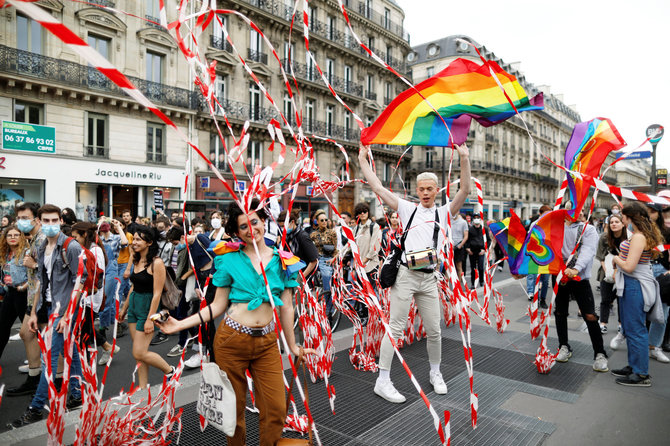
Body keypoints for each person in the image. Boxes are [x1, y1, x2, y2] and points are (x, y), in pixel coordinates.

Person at [156, 199, 314, 445]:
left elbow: (288, 307)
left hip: (268, 344)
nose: (251, 230)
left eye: (254, 222)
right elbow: (217, 306)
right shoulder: (228, 259)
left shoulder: (284, 260)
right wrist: (180, 325)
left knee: (275, 410)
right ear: (236, 231)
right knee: (234, 414)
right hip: (231, 342)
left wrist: (293, 346)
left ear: (263, 221)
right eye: (243, 227)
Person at [358, 142, 471, 403]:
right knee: (395, 328)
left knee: (434, 329)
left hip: (429, 278)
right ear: (416, 191)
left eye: (430, 188)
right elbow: (377, 187)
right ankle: (382, 380)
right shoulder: (407, 208)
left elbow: (465, 189)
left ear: (436, 190)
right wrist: (364, 160)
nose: (425, 193)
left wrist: (464, 157)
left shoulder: (444, 212)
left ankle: (435, 373)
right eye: (421, 189)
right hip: (406, 276)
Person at [11, 204, 87, 427]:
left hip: (65, 311)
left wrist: (66, 315)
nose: (51, 224)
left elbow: (80, 282)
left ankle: (36, 408)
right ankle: (76, 394)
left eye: (55, 220)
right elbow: (41, 283)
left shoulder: (70, 246)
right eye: (47, 221)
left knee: (49, 360)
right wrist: (34, 312)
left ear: (60, 221)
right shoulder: (42, 246)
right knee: (68, 351)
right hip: (50, 307)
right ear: (40, 222)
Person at [611, 202, 664, 386]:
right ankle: (634, 366)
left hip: (635, 285)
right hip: (630, 284)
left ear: (631, 217)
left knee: (636, 329)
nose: (622, 220)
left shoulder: (639, 237)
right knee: (630, 327)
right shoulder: (638, 236)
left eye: (624, 216)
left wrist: (616, 258)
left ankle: (641, 373)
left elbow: (629, 266)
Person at [118, 226, 175, 389]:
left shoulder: (157, 263)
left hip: (149, 307)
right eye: (133, 239)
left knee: (139, 352)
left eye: (138, 239)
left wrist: (151, 319)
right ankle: (142, 388)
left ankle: (170, 370)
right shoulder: (136, 259)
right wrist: (124, 308)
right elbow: (133, 287)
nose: (134, 242)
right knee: (139, 353)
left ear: (149, 243)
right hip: (135, 305)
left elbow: (157, 293)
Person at [554, 208, 609, 373]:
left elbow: (588, 250)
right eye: (577, 209)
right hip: (559, 275)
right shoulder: (557, 227)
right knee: (560, 312)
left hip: (580, 277)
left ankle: (600, 353)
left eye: (583, 210)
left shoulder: (588, 229)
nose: (581, 213)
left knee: (590, 315)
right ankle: (563, 346)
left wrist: (576, 268)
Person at [6, 203, 46, 397]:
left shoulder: (43, 239)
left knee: (43, 338)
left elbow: (54, 271)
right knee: (27, 334)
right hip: (33, 296)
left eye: (24, 218)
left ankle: (54, 382)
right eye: (18, 218)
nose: (20, 222)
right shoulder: (33, 239)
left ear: (36, 219)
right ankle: (35, 377)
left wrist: (35, 265)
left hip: (45, 298)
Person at [70, 222, 120, 364]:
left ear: (85, 235)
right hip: (83, 296)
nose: (74, 240)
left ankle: (83, 367)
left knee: (83, 334)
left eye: (75, 237)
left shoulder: (95, 250)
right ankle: (106, 347)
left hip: (90, 297)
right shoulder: (85, 248)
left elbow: (95, 277)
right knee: (85, 327)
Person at [644, 203, 670, 363]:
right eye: (647, 211)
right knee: (637, 308)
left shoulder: (667, 232)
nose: (649, 214)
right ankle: (627, 336)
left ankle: (654, 346)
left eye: (652, 212)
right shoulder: (639, 230)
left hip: (661, 271)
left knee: (663, 312)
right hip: (642, 269)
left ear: (658, 213)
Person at [595, 213, 628, 336]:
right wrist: (608, 270)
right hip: (606, 272)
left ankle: (621, 325)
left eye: (616, 222)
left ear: (623, 224)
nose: (614, 224)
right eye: (611, 222)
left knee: (621, 299)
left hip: (624, 272)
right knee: (605, 299)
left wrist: (617, 271)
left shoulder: (628, 238)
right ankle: (603, 323)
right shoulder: (604, 237)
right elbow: (600, 256)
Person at [97, 219, 128, 347]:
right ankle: (109, 323)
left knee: (108, 298)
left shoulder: (115, 238)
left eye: (106, 225)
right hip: (99, 267)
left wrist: (117, 226)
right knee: (100, 297)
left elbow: (125, 242)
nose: (104, 227)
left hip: (111, 268)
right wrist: (98, 223)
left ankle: (103, 327)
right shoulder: (97, 238)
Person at [0, 225, 30, 360]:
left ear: (21, 237)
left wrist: (24, 286)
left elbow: (36, 275)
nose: (12, 238)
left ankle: (36, 362)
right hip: (9, 293)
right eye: (9, 235)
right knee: (2, 328)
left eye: (16, 235)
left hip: (23, 294)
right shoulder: (4, 253)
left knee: (29, 332)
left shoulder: (27, 252)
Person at [310, 209, 338, 316]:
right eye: (322, 220)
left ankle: (329, 309)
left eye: (326, 220)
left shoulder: (332, 233)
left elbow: (336, 249)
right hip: (315, 259)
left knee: (327, 281)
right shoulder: (313, 234)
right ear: (317, 221)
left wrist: (333, 259)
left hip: (327, 259)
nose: (325, 222)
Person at [278, 209, 319, 280]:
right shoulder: (286, 237)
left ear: (292, 222)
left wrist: (301, 278)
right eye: (281, 227)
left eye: (284, 226)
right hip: (289, 275)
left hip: (303, 276)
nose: (282, 229)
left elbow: (314, 260)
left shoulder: (303, 236)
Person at [466, 217, 486, 288]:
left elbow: (487, 240)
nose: (477, 226)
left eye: (478, 224)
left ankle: (481, 280)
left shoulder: (484, 229)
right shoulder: (470, 229)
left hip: (481, 250)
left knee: (481, 267)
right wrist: (467, 248)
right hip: (472, 250)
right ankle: (473, 283)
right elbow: (467, 238)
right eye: (476, 224)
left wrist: (484, 249)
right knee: (473, 268)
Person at [451, 213, 468, 284]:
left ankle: (459, 283)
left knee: (459, 266)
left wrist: (460, 245)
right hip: (450, 247)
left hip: (459, 247)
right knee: (449, 267)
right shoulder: (449, 221)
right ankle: (447, 285)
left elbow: (466, 236)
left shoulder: (463, 222)